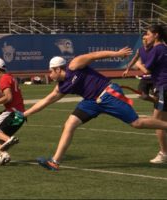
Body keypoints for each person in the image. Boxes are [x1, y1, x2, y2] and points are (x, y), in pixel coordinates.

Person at [22, 47, 167, 171]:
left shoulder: (74, 65)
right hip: (91, 102)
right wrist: (25, 113)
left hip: (108, 94)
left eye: (51, 71)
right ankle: (55, 162)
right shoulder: (61, 87)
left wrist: (116, 54)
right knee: (69, 124)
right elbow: (46, 101)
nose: (49, 75)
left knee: (137, 123)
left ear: (58, 69)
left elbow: (95, 55)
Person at [133, 25, 167, 164]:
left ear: (156, 35)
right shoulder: (163, 48)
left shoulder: (158, 48)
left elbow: (146, 69)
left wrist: (138, 64)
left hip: (164, 87)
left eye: (148, 34)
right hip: (162, 87)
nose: (146, 36)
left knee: (157, 122)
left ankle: (164, 154)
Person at [122, 37, 155, 103]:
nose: (145, 41)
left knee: (159, 97)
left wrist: (140, 65)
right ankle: (156, 102)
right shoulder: (139, 50)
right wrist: (127, 69)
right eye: (143, 39)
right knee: (143, 96)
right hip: (145, 78)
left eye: (147, 39)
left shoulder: (155, 49)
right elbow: (134, 59)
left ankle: (159, 105)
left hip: (155, 78)